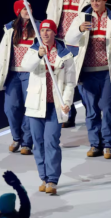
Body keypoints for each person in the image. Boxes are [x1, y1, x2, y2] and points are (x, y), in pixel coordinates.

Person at [66, 0, 111, 159]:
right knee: (92, 110)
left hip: (108, 72)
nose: (95, 3)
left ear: (104, 1)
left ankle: (109, 145)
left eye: (98, 0)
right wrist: (79, 29)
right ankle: (96, 144)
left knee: (108, 107)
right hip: (87, 73)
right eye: (93, 1)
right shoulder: (82, 17)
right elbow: (68, 40)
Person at [21, 20, 76, 195]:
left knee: (51, 141)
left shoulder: (65, 55)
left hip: (54, 106)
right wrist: (38, 55)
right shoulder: (34, 50)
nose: (44, 33)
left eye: (48, 30)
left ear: (54, 33)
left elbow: (69, 83)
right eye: (42, 30)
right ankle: (43, 177)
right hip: (36, 105)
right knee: (38, 143)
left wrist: (66, 102)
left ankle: (52, 179)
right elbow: (25, 66)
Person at [46, 0, 94, 128]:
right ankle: (68, 114)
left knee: (80, 81)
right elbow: (50, 14)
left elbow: (90, 17)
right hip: (60, 41)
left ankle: (91, 116)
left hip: (79, 42)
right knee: (62, 79)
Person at [0, 1, 37, 155]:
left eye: (29, 7)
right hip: (13, 74)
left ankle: (27, 142)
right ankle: (17, 137)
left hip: (31, 73)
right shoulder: (10, 29)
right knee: (10, 108)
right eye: (24, 8)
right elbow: (2, 53)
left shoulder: (38, 27)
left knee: (30, 107)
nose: (28, 10)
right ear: (18, 11)